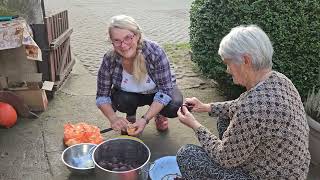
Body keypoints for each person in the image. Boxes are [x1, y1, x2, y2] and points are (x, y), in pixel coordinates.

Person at [176, 25, 310, 179]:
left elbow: (223, 157)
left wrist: (194, 125)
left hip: (268, 175)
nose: (227, 70)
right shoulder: (279, 79)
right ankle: (236, 155)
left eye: (228, 63)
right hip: (287, 167)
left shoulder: (252, 108)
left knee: (187, 155)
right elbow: (240, 105)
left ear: (246, 60)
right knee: (225, 118)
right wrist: (205, 107)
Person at [96, 15, 183, 136]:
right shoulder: (109, 59)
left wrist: (145, 119)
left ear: (137, 36)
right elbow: (101, 96)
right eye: (117, 40)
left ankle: (159, 113)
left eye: (128, 38)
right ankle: (130, 117)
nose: (123, 45)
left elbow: (165, 91)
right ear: (111, 41)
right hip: (129, 96)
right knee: (122, 100)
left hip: (156, 93)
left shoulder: (155, 52)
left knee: (174, 105)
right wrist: (113, 118)